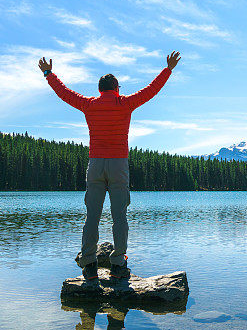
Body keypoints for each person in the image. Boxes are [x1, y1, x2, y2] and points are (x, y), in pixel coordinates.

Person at [38, 51, 181, 280]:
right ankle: (117, 265)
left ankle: (89, 265)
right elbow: (151, 90)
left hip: (95, 165)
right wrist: (168, 69)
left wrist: (48, 73)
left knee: (92, 216)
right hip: (118, 166)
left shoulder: (89, 104)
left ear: (99, 90)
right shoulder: (124, 103)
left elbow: (64, 94)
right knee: (120, 216)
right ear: (116, 89)